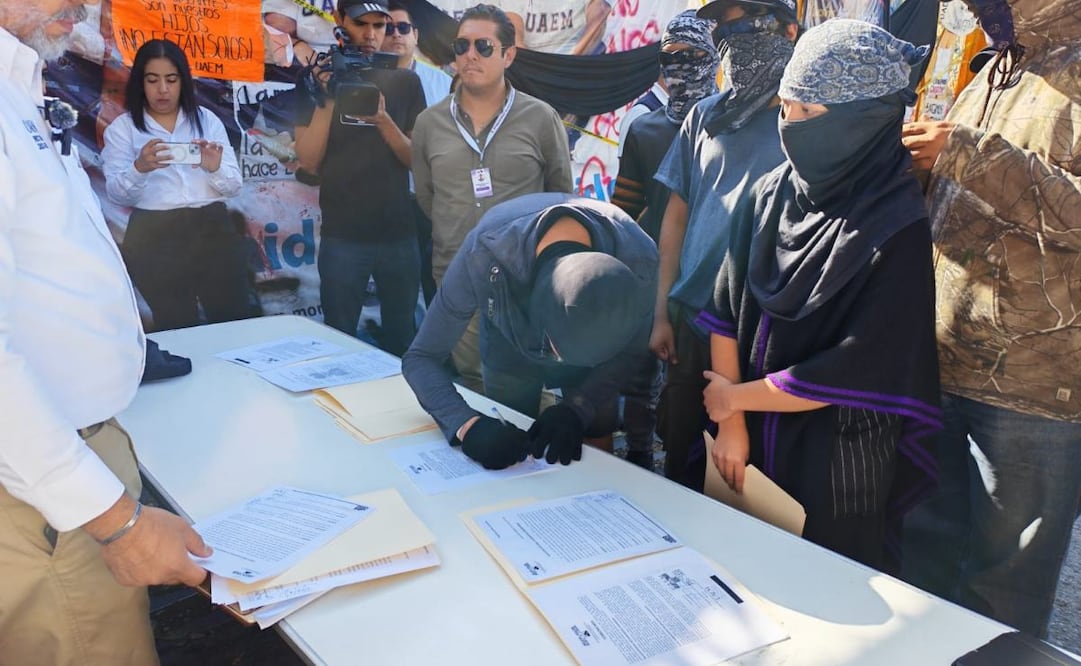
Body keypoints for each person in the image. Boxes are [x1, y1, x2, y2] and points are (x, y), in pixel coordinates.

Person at [0, 0, 211, 663]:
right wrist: (112, 519)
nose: (85, 3)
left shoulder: (18, 83)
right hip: (42, 495)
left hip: (63, 469)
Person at [697, 18, 939, 570]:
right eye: (785, 107)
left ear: (866, 120)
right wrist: (732, 424)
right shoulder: (769, 192)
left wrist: (734, 399)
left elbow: (857, 367)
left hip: (839, 452)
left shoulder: (897, 224)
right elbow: (722, 311)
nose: (790, 125)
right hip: (748, 435)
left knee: (825, 586)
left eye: (809, 113)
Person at [901, 0, 1081, 637]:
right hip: (943, 365)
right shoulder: (995, 66)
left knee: (1002, 595)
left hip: (1032, 396)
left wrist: (967, 153)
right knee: (924, 574)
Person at [651, 0, 798, 487]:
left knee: (749, 478)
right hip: (693, 319)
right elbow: (676, 218)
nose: (732, 36)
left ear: (790, 30)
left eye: (745, 23)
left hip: (765, 330)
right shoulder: (705, 115)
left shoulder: (807, 121)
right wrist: (660, 313)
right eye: (722, 26)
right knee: (682, 460)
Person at [402, 193, 656, 470]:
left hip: (601, 365)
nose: (557, 361)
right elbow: (420, 357)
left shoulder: (640, 262)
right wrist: (466, 424)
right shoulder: (483, 254)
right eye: (554, 349)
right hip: (509, 349)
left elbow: (633, 353)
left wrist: (579, 405)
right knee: (509, 446)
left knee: (596, 437)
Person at [411, 3, 572, 392]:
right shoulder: (428, 124)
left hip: (522, 278)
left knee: (523, 383)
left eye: (483, 47)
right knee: (473, 381)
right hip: (455, 275)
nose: (469, 56)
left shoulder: (541, 118)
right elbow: (428, 199)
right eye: (461, 46)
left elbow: (561, 196)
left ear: (508, 55)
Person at [610, 10, 719, 470]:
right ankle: (638, 457)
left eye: (692, 55)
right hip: (653, 269)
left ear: (712, 59)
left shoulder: (731, 125)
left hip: (713, 282)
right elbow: (624, 210)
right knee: (640, 376)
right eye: (670, 56)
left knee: (698, 393)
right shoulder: (646, 129)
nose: (680, 66)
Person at [294, 0, 426, 356]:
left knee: (403, 339)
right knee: (338, 341)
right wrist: (328, 98)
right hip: (343, 235)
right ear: (339, 22)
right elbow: (307, 160)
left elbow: (418, 160)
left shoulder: (407, 82)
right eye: (360, 24)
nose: (370, 35)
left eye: (380, 26)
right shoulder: (313, 77)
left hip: (398, 233)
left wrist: (384, 121)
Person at [103, 39, 249, 332]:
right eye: (152, 80)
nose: (163, 90)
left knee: (231, 318)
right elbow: (116, 193)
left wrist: (214, 167)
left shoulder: (207, 121)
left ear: (184, 81)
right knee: (174, 323)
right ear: (139, 83)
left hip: (212, 228)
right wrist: (139, 168)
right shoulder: (123, 128)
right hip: (154, 234)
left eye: (171, 79)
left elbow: (234, 187)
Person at [381, 0, 451, 306]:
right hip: (385, 203)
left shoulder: (443, 83)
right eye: (388, 28)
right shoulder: (363, 83)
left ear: (416, 35)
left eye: (403, 28)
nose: (396, 34)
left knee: (437, 283)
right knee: (398, 293)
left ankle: (445, 353)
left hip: (431, 202)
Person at [503, 0, 612, 56]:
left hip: (581, 61)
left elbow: (599, 13)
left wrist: (576, 56)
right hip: (532, 67)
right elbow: (514, 32)